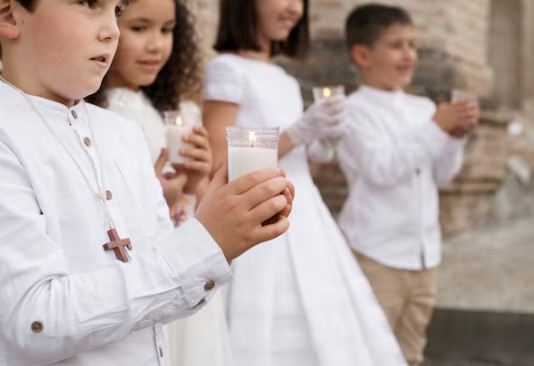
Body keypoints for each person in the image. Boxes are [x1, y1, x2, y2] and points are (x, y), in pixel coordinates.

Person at [0, 0, 294, 365]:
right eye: (89, 4)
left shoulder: (122, 133)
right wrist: (206, 243)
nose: (112, 29)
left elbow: (165, 292)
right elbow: (36, 319)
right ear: (6, 14)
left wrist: (222, 230)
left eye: (117, 9)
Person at [202, 1, 407, 365]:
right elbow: (221, 165)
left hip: (305, 214)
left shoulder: (285, 78)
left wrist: (322, 143)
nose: (294, 9)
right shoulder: (227, 69)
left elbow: (297, 166)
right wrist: (299, 132)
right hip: (259, 223)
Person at [87, 0, 232, 364]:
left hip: (187, 262)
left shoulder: (179, 111)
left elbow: (194, 200)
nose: (156, 45)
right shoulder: (97, 115)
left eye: (167, 30)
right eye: (139, 29)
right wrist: (156, 195)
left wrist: (197, 179)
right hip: (143, 277)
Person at [336, 4, 479, 366]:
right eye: (397, 45)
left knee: (410, 355)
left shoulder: (422, 107)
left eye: (412, 45)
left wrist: (454, 137)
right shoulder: (352, 111)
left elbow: (442, 175)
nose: (409, 55)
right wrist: (436, 128)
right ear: (362, 54)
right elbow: (381, 169)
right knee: (367, 352)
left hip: (423, 255)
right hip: (376, 255)